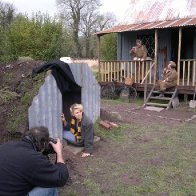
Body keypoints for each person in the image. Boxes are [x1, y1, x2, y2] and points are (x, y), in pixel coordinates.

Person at [0, 126, 69, 196]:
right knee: (50, 187)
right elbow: (61, 178)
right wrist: (59, 152)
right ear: (44, 144)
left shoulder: (6, 145)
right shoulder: (32, 158)